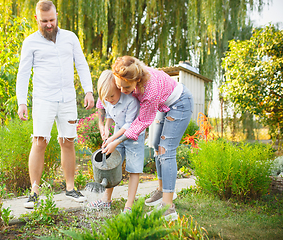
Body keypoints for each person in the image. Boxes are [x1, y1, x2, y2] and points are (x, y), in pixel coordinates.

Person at [16, 0, 94, 209]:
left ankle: (70, 187)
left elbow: (81, 63)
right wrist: (22, 102)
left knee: (67, 141)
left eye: (52, 20)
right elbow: (23, 73)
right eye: (44, 21)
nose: (49, 25)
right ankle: (34, 191)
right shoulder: (30, 42)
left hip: (67, 98)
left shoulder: (70, 38)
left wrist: (89, 90)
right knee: (39, 141)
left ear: (56, 16)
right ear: (36, 19)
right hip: (43, 99)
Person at [102, 56, 193, 220]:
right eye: (119, 86)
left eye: (126, 87)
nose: (122, 91)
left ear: (137, 80)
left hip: (179, 103)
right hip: (163, 104)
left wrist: (116, 141)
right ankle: (161, 190)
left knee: (166, 150)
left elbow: (142, 122)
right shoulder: (129, 75)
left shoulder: (149, 90)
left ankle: (168, 207)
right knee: (156, 146)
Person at [86, 70, 145, 213]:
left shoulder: (130, 100)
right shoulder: (107, 98)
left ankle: (128, 206)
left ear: (119, 87)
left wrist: (113, 139)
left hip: (134, 135)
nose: (110, 100)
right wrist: (106, 128)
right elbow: (110, 114)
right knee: (110, 166)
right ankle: (106, 201)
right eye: (106, 98)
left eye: (112, 96)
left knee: (133, 169)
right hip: (117, 132)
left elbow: (129, 125)